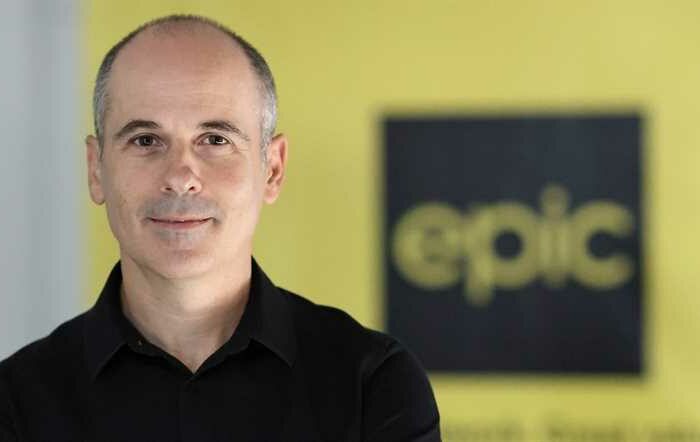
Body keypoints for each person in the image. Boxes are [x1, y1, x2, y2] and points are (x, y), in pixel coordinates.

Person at [0, 14, 440, 442]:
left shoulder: (372, 386)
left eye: (215, 140)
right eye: (145, 140)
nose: (180, 176)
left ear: (272, 170)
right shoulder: (16, 401)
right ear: (96, 170)